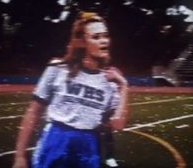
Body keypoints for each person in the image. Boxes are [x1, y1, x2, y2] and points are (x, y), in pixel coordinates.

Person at [12, 11, 129, 168]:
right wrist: (20, 156)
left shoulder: (111, 80)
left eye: (105, 36)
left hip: (88, 147)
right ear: (81, 42)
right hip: (55, 142)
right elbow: (33, 112)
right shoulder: (58, 69)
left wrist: (124, 86)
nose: (104, 41)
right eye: (96, 37)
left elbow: (118, 125)